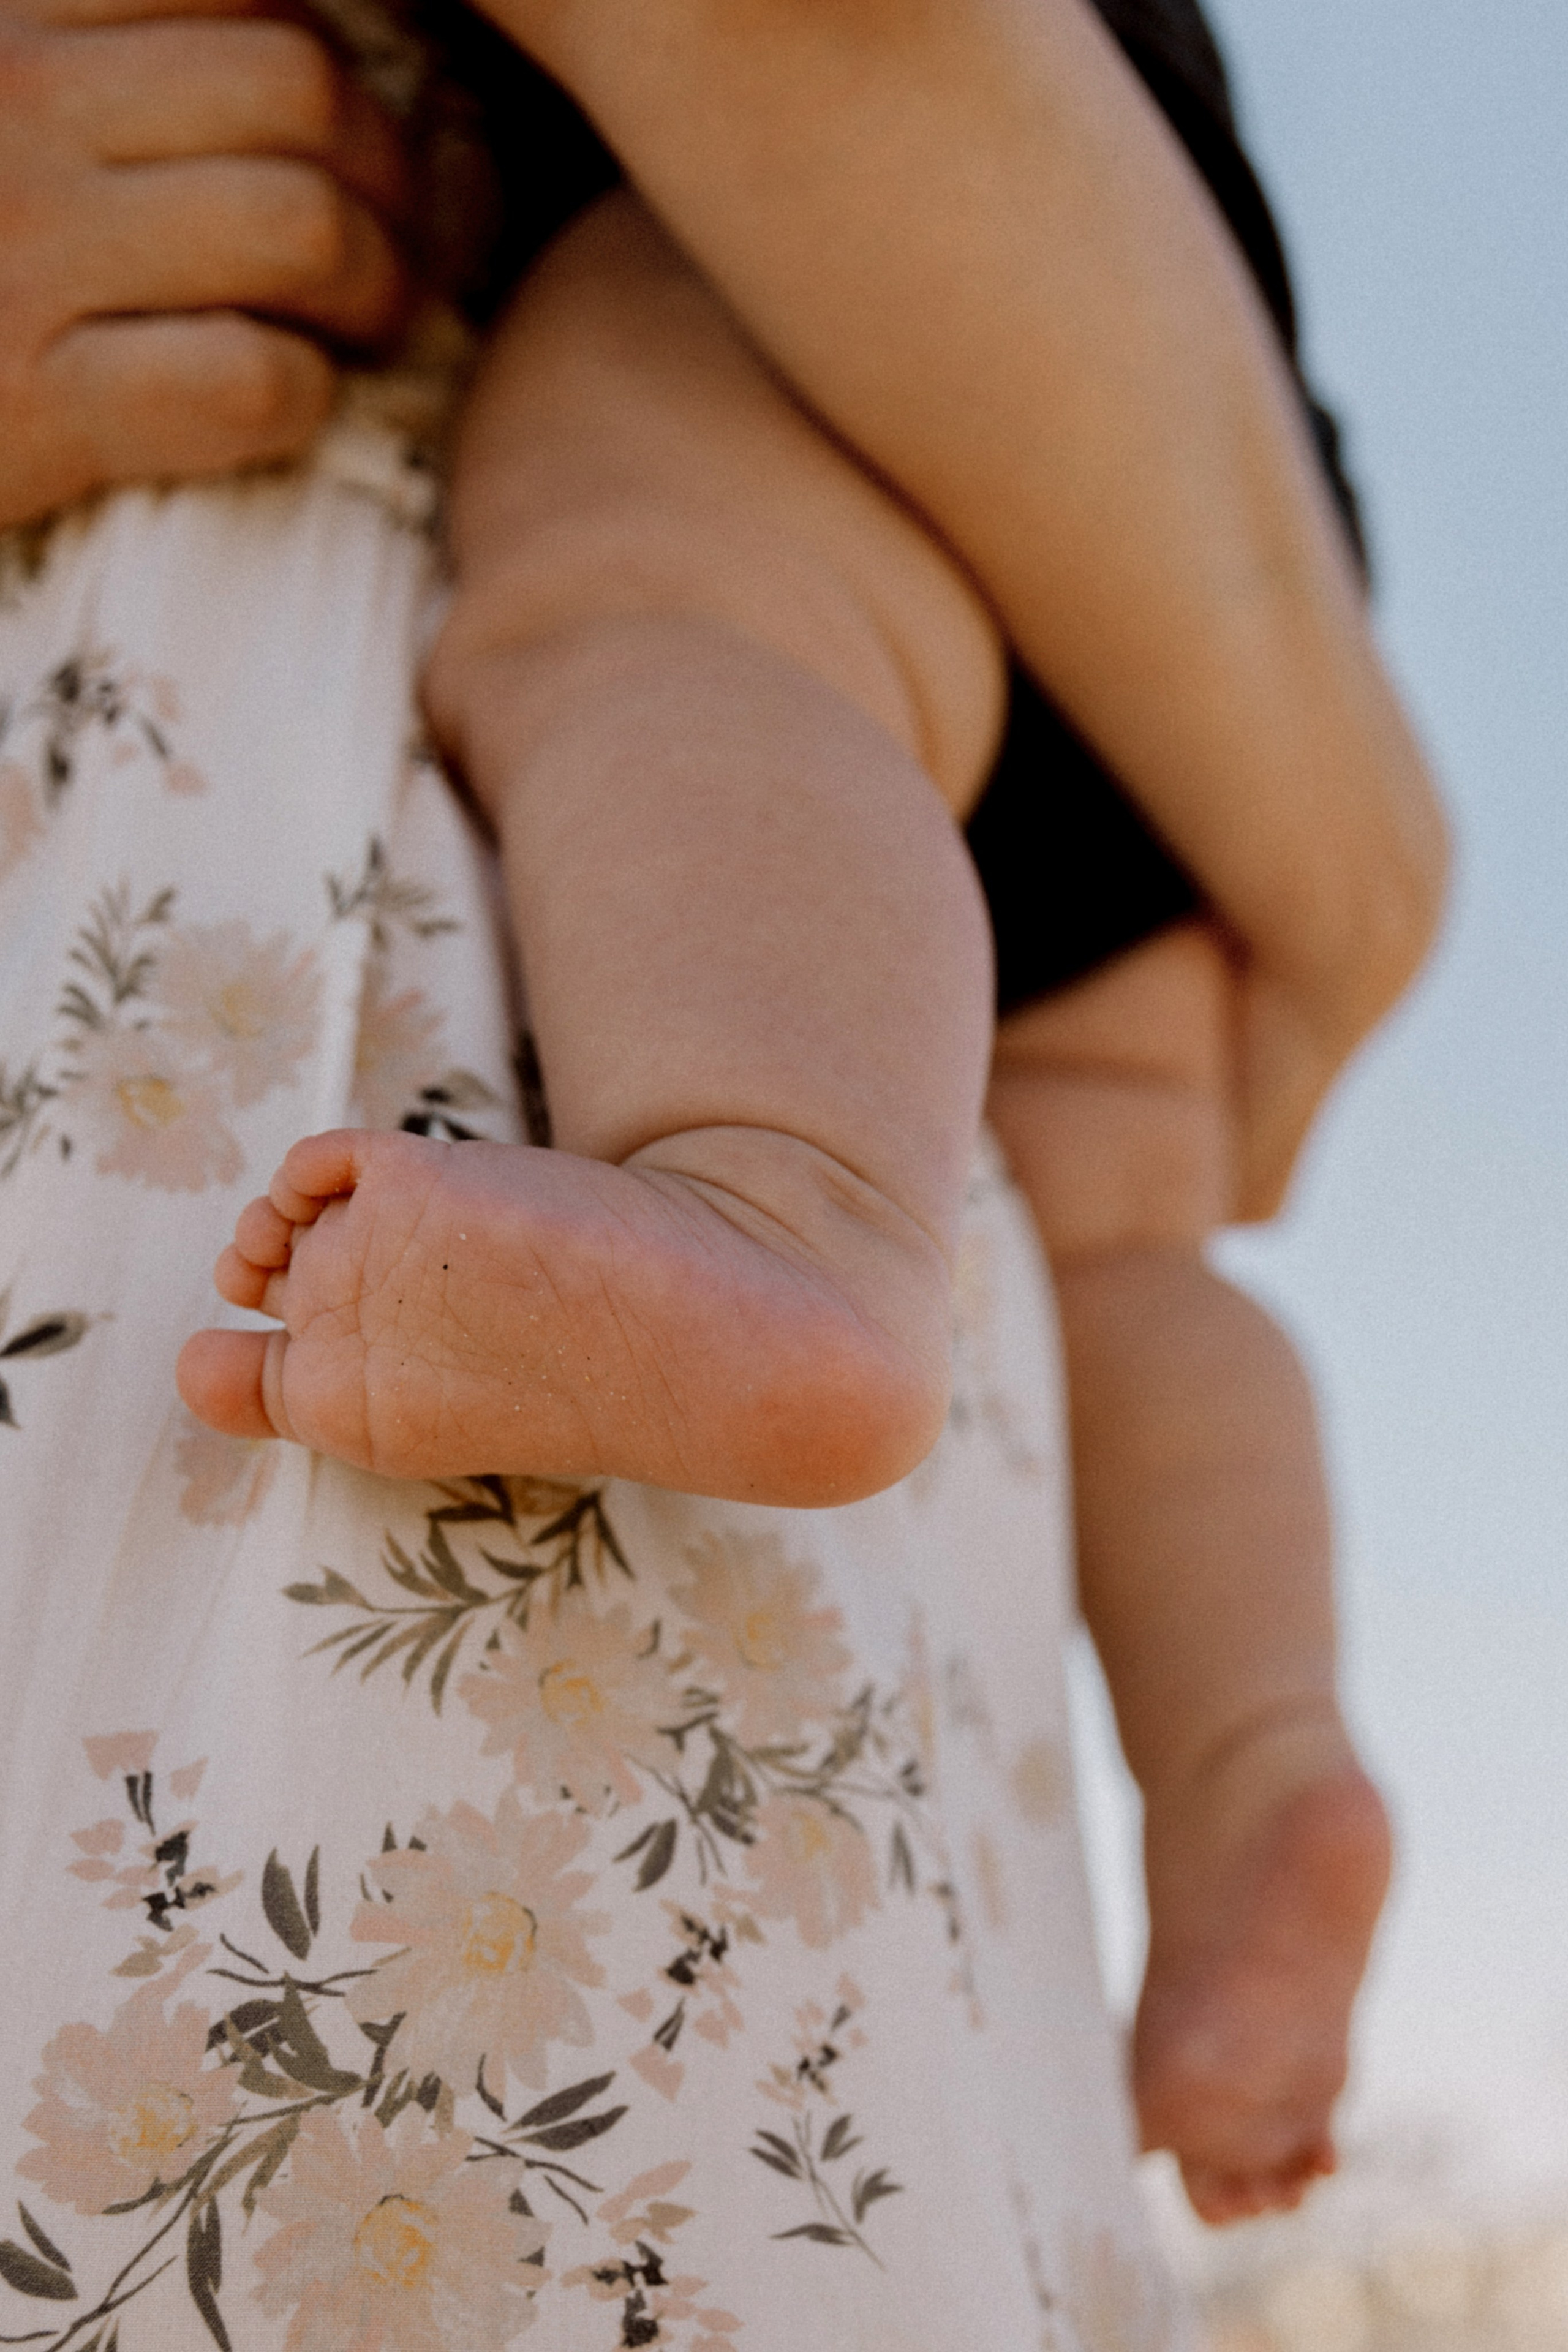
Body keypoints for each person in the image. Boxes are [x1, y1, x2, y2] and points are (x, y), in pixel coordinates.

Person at [0, 9, 1439, 2352]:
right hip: (1161, 407)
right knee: (1131, 1236)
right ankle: (1258, 1738)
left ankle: (785, 1197)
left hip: (797, 234)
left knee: (655, 606)